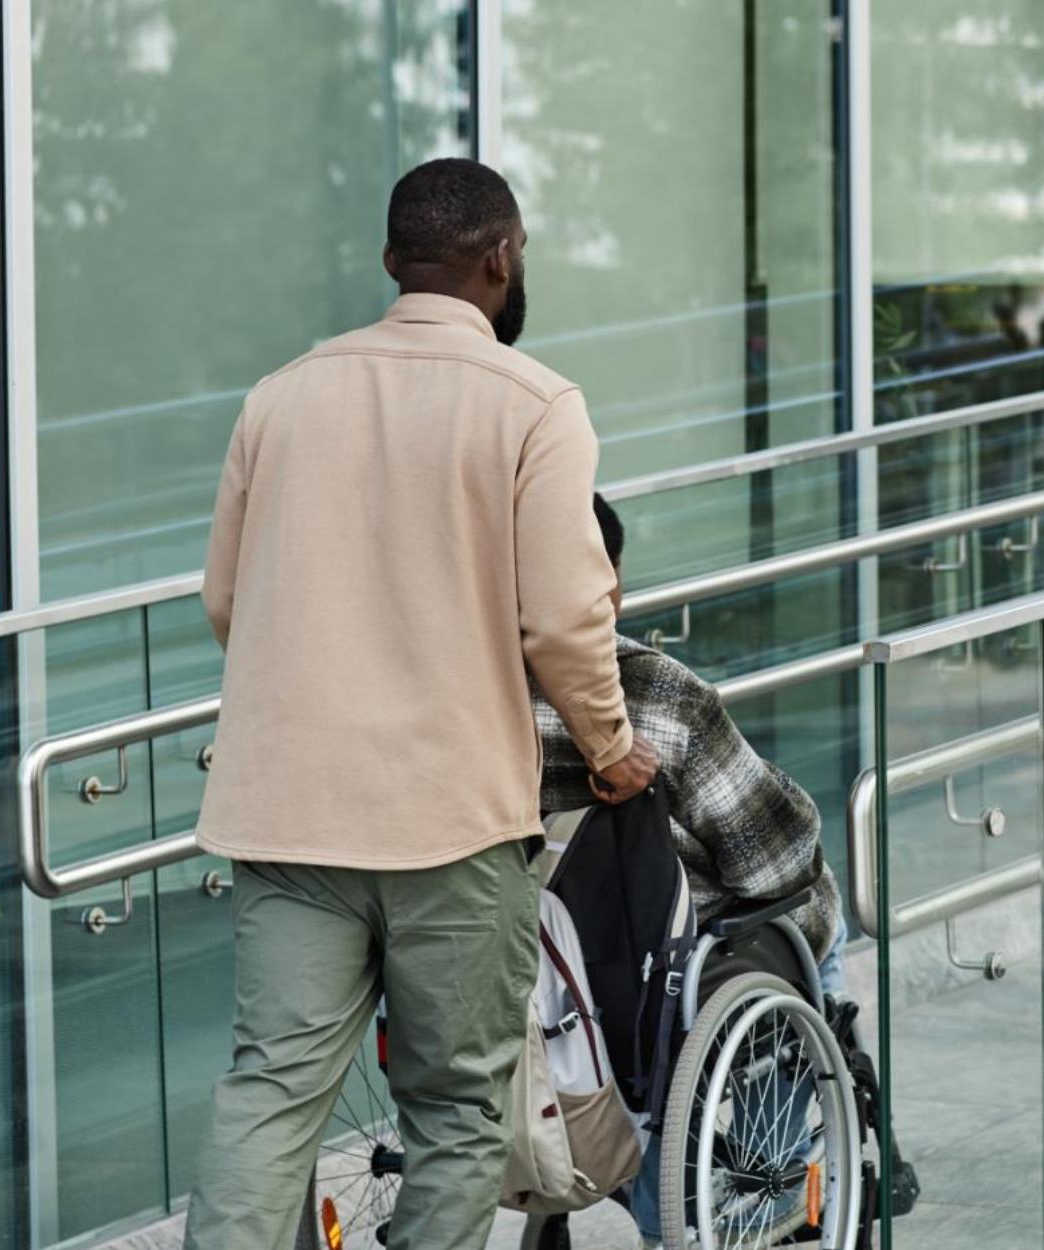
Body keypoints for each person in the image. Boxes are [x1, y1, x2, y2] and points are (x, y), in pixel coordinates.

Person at [184, 159, 657, 1250]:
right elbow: (562, 620)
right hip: (450, 820)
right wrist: (610, 745)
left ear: (393, 263)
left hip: (290, 811)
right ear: (502, 260)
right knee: (455, 1110)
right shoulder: (535, 404)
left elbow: (226, 597)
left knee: (268, 1093)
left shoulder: (282, 395)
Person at [533, 494, 845, 1250]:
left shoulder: (460, 701)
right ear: (609, 585)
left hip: (515, 958)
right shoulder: (657, 696)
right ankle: (758, 1182)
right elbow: (773, 856)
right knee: (817, 932)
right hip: (648, 974)